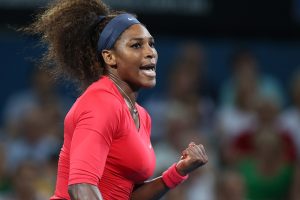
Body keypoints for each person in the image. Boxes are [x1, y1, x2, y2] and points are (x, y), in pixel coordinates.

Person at [26, 0, 208, 199]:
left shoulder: (142, 116)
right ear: (110, 57)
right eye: (136, 45)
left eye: (151, 44)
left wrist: (178, 171)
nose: (150, 52)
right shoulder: (101, 103)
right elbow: (81, 187)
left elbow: (127, 195)